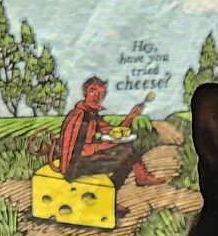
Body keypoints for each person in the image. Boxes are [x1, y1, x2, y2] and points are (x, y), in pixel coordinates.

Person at [58, 76, 165, 216]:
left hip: (86, 158)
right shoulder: (79, 116)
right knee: (124, 159)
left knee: (127, 149)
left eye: (101, 93)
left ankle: (141, 175)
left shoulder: (92, 115)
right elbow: (75, 150)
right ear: (85, 92)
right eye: (92, 91)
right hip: (75, 166)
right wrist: (102, 146)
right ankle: (109, 200)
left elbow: (114, 132)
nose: (97, 97)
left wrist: (131, 116)